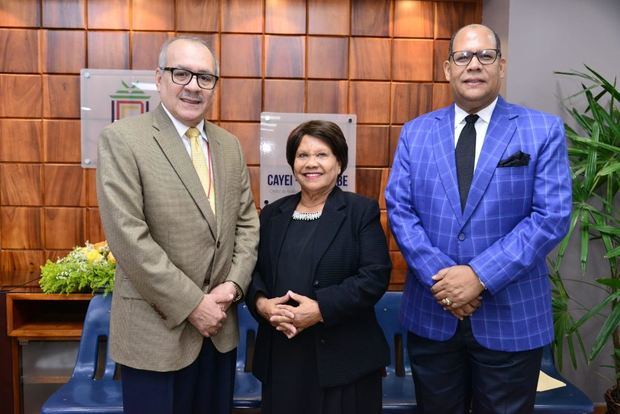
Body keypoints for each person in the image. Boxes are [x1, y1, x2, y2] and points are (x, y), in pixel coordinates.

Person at [385, 24, 572, 414]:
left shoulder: (542, 130)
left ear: (501, 66)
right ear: (447, 68)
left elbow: (550, 216)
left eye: (485, 56)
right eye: (463, 57)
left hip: (512, 316)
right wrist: (446, 281)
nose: (474, 65)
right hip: (433, 313)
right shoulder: (415, 133)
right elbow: (401, 211)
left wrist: (479, 276)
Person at [96, 37, 259, 414]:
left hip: (219, 330)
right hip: (156, 336)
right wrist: (193, 304)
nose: (193, 86)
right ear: (159, 78)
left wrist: (232, 288)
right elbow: (128, 237)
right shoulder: (123, 139)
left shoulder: (228, 145)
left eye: (205, 77)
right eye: (181, 73)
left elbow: (248, 226)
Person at [246, 120, 391, 414]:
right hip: (282, 355)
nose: (311, 163)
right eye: (302, 155)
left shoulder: (359, 211)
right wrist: (262, 305)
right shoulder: (273, 214)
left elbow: (375, 276)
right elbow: (251, 271)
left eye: (322, 154)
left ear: (339, 163)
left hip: (345, 360)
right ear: (292, 164)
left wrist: (320, 309)